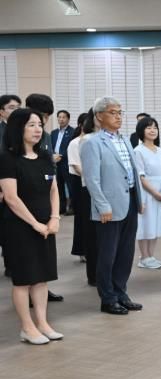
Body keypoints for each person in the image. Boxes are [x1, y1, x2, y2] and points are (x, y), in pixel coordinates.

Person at [0, 108, 64, 345]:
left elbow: (54, 190)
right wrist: (35, 224)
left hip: (46, 225)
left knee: (42, 277)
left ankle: (43, 323)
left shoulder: (45, 157)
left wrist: (54, 218)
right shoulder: (7, 159)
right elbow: (11, 198)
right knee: (24, 278)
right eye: (31, 125)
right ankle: (27, 328)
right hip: (19, 227)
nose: (38, 129)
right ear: (18, 128)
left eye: (39, 125)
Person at [81, 97, 144, 315]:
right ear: (99, 116)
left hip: (130, 201)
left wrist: (140, 200)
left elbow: (133, 172)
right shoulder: (92, 142)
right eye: (112, 112)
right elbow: (91, 179)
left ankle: (121, 293)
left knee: (126, 253)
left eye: (120, 112)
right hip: (108, 207)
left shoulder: (125, 139)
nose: (118, 117)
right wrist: (102, 206)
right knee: (108, 255)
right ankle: (108, 298)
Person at [24, 93, 64, 303]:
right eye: (41, 116)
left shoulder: (45, 136)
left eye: (46, 118)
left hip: (44, 197)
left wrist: (55, 214)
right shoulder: (14, 135)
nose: (43, 122)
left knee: (45, 248)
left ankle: (42, 288)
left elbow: (50, 167)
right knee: (27, 251)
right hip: (23, 199)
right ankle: (27, 289)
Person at [69, 110, 100, 286]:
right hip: (85, 186)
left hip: (102, 188)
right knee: (87, 226)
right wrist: (94, 178)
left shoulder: (109, 139)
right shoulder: (80, 142)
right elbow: (78, 167)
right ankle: (91, 269)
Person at [134, 116, 161, 270]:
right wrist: (155, 193)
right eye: (148, 127)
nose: (153, 130)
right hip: (147, 192)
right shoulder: (138, 151)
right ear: (141, 131)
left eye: (155, 127)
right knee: (145, 223)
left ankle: (151, 256)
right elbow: (140, 177)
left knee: (155, 224)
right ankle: (144, 257)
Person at [0, 94, 22, 277]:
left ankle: (15, 263)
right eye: (11, 108)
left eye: (18, 107)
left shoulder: (24, 130)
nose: (16, 111)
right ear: (1, 112)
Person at [67, 112, 88, 260]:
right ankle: (81, 251)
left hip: (91, 183)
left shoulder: (92, 141)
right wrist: (92, 178)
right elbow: (76, 166)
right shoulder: (75, 143)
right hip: (79, 183)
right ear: (81, 125)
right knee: (81, 218)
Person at [51, 109, 74, 215]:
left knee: (70, 186)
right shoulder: (54, 133)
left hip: (66, 163)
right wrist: (53, 156)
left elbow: (71, 147)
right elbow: (51, 146)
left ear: (68, 119)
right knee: (59, 186)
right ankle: (62, 207)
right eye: (59, 117)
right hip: (56, 163)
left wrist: (61, 156)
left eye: (64, 117)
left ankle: (73, 207)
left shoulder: (72, 132)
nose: (61, 119)